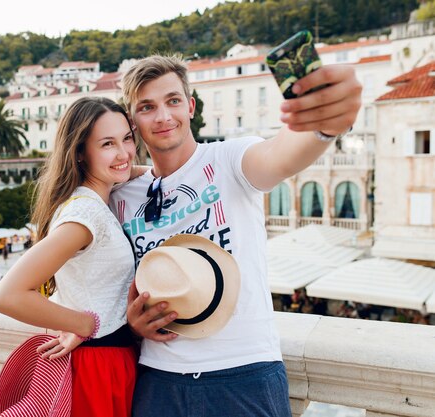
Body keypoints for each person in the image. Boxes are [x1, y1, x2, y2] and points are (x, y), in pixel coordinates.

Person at [109, 54, 361, 416]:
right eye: (147, 107)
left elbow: (281, 154)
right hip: (158, 379)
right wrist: (131, 327)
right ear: (132, 121)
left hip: (244, 372)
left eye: (173, 101)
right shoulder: (123, 196)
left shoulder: (229, 159)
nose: (163, 116)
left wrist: (324, 125)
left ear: (191, 106)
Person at [0, 97, 141, 417]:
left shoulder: (94, 200)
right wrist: (85, 323)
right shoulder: (85, 215)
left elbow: (139, 168)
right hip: (98, 366)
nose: (124, 152)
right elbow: (7, 295)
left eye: (127, 138)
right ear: (80, 153)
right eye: (107, 144)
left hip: (109, 359)